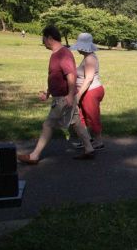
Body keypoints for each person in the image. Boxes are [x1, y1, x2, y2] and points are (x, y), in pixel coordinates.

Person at [17, 26, 95, 164]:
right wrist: (48, 93)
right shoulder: (56, 54)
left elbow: (71, 75)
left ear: (50, 38)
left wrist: (70, 95)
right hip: (63, 96)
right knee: (76, 123)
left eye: (44, 38)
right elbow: (55, 77)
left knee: (48, 124)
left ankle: (34, 156)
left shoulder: (63, 54)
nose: (43, 42)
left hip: (64, 98)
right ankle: (89, 149)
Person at [70, 32, 105, 150]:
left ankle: (98, 141)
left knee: (92, 116)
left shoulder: (90, 59)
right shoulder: (87, 58)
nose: (78, 49)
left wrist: (79, 95)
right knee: (82, 116)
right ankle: (87, 140)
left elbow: (89, 78)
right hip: (87, 91)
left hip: (91, 91)